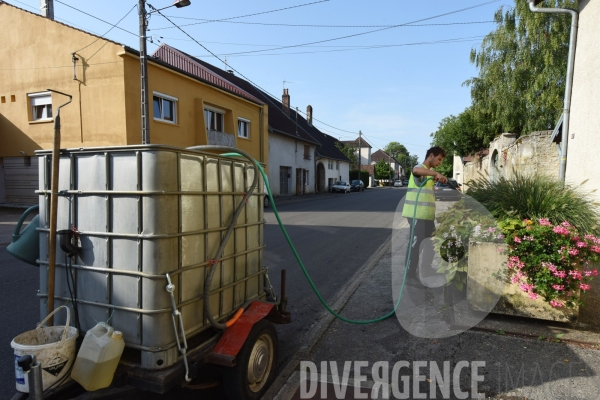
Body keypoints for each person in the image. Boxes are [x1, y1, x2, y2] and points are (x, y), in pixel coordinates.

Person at [401, 146, 447, 287]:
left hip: (426, 216)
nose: (439, 162)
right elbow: (415, 171)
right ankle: (409, 276)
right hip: (416, 215)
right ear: (431, 155)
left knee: (430, 243)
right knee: (415, 245)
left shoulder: (430, 173)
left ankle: (426, 270)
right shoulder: (420, 168)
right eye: (439, 159)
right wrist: (436, 174)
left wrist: (438, 177)